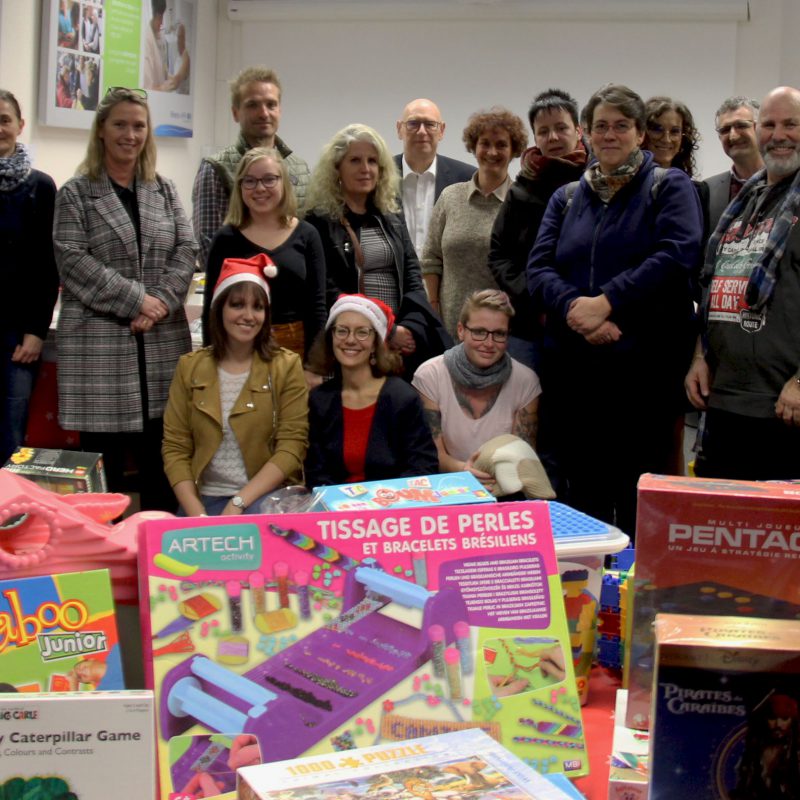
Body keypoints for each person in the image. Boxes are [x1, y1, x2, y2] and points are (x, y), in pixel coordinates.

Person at [527, 84, 702, 536]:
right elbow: (538, 268)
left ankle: (638, 581)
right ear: (586, 132)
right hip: (576, 374)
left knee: (641, 498)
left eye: (621, 125)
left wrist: (608, 302)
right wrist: (576, 310)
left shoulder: (669, 186)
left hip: (645, 375)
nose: (610, 134)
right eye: (601, 125)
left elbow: (677, 253)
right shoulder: (567, 197)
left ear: (640, 133)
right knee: (584, 496)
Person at [53, 87, 196, 511]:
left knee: (162, 465)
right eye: (120, 124)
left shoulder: (163, 190)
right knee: (106, 475)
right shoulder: (76, 193)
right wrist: (137, 301)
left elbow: (187, 249)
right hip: (99, 352)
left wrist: (159, 302)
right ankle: (106, 547)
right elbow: (72, 260)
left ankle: (157, 543)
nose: (129, 135)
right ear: (101, 130)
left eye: (138, 126)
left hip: (160, 345)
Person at [685, 86, 800, 481]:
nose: (778, 135)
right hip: (725, 402)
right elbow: (713, 284)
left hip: (784, 407)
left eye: (791, 124)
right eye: (769, 124)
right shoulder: (744, 200)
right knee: (719, 515)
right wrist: (700, 357)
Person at [163, 256, 309, 516]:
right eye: (237, 305)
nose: (249, 316)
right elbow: (176, 448)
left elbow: (291, 446)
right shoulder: (189, 367)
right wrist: (197, 514)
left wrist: (238, 503)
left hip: (266, 498)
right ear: (219, 308)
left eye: (258, 307)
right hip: (202, 500)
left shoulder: (286, 366)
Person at [304, 123, 449, 378]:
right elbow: (327, 289)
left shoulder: (391, 215)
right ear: (336, 169)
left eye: (372, 161)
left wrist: (409, 328)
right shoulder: (318, 221)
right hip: (351, 341)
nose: (365, 169)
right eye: (355, 161)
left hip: (398, 344)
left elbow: (412, 276)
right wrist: (384, 329)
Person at [201, 147, 325, 377]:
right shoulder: (225, 239)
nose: (259, 188)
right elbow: (212, 307)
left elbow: (317, 306)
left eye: (269, 179)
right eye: (249, 181)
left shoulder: (307, 234)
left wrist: (314, 367)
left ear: (283, 182)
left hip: (295, 351)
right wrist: (212, 362)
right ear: (240, 187)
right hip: (237, 352)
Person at [489, 88, 587, 371]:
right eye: (543, 131)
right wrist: (536, 300)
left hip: (588, 319)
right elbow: (499, 254)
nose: (552, 137)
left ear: (578, 130)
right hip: (531, 323)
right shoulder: (521, 189)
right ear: (535, 137)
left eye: (561, 128)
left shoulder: (598, 181)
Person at [412, 290, 540, 491]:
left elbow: (522, 458)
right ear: (461, 330)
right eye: (479, 332)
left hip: (503, 489)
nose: (489, 344)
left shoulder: (525, 381)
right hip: (446, 487)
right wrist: (464, 470)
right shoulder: (430, 375)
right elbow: (431, 454)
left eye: (499, 334)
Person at [304, 294, 437, 487]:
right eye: (342, 331)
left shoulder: (403, 398)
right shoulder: (319, 400)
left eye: (362, 332)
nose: (350, 340)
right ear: (331, 338)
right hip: (334, 502)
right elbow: (316, 472)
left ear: (376, 343)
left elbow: (422, 466)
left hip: (395, 501)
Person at [422, 107, 528, 336]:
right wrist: (433, 308)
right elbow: (430, 259)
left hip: (501, 335)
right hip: (449, 329)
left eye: (501, 145)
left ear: (514, 150)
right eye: (485, 143)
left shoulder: (523, 203)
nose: (492, 152)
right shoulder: (450, 197)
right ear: (474, 147)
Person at [192, 67, 310, 268]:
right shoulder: (215, 169)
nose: (264, 113)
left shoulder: (300, 168)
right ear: (235, 113)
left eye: (271, 104)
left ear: (280, 110)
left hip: (295, 282)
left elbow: (310, 241)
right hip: (240, 284)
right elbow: (208, 248)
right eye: (253, 105)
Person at [0, 90, 59, 464]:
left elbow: (46, 266)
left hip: (17, 338)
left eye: (4, 120)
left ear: (20, 125)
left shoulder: (41, 187)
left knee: (11, 437)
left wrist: (36, 330)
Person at [394, 98, 475, 256]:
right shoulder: (378, 176)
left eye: (430, 124)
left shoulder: (467, 179)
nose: (421, 131)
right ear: (399, 129)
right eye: (413, 123)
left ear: (441, 131)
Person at [705, 96, 765, 229]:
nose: (733, 135)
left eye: (741, 126)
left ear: (760, 128)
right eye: (725, 130)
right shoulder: (707, 190)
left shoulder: (786, 183)